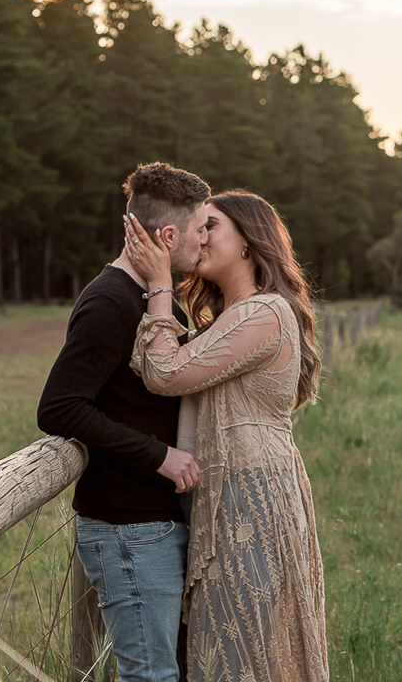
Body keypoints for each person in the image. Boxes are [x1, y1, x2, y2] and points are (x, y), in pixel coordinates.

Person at [124, 190, 329, 682]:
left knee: (243, 650)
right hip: (233, 491)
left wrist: (158, 284)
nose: (199, 236)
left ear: (247, 241)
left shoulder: (264, 313)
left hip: (252, 494)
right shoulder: (229, 319)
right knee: (231, 647)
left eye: (211, 225)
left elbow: (164, 373)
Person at [37, 162, 210, 682]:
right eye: (201, 228)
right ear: (168, 235)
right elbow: (59, 406)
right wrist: (158, 455)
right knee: (151, 676)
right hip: (126, 529)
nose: (206, 240)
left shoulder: (153, 297)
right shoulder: (110, 301)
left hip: (153, 524)